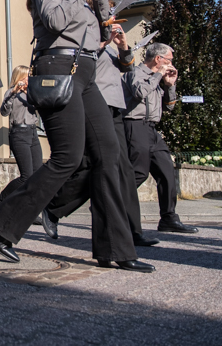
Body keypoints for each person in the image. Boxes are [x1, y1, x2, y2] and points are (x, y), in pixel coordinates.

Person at [0, 0, 152, 273]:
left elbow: (101, 35)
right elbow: (55, 21)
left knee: (109, 154)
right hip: (58, 70)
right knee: (68, 157)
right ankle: (5, 223)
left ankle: (115, 249)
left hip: (86, 73)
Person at [41, 22, 159, 246]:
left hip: (115, 105)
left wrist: (123, 47)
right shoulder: (86, 35)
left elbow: (127, 69)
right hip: (94, 104)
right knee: (94, 165)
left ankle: (132, 231)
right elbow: (80, 62)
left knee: (124, 170)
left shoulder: (111, 46)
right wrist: (103, 42)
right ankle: (54, 207)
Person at [122, 42, 195, 234]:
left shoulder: (157, 78)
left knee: (166, 170)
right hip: (134, 125)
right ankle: (109, 204)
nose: (171, 64)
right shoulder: (135, 73)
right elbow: (140, 92)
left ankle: (169, 219)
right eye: (169, 60)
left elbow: (169, 107)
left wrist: (170, 85)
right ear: (158, 59)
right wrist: (157, 76)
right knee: (138, 173)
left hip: (152, 129)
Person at [0, 65, 42, 212]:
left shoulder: (32, 93)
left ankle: (27, 211)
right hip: (19, 134)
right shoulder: (11, 92)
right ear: (20, 77)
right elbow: (4, 112)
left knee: (37, 175)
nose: (29, 79)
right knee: (26, 176)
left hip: (33, 133)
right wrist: (14, 93)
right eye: (27, 77)